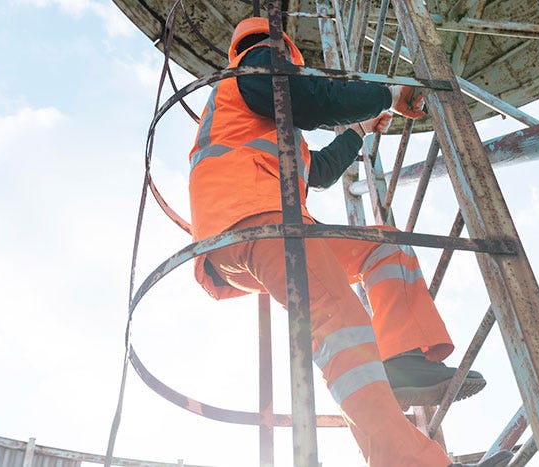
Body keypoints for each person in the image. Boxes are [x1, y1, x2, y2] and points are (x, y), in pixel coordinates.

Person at [187, 14, 511, 467]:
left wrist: (359, 130)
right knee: (343, 330)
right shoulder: (257, 66)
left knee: (386, 246)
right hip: (253, 220)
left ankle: (402, 358)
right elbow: (312, 99)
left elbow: (317, 173)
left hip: (267, 228)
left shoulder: (262, 117)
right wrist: (387, 94)